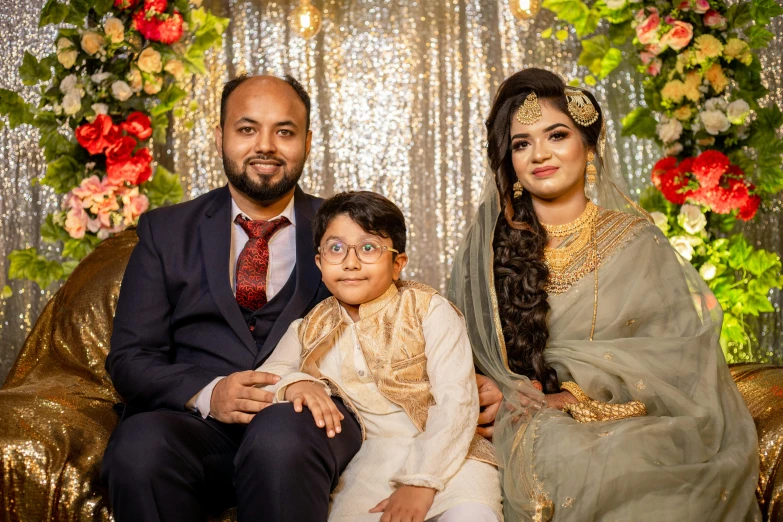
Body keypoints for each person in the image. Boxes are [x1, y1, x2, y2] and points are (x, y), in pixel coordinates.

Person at [102, 74, 502, 522]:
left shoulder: (341, 229)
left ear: (307, 141)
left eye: (285, 131)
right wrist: (211, 394)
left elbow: (398, 307)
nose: (266, 146)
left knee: (281, 435)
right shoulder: (166, 231)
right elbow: (131, 358)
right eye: (247, 128)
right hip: (200, 426)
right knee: (137, 448)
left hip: (313, 423)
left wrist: (475, 378)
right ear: (220, 137)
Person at [448, 68, 761, 521]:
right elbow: (450, 342)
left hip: (627, 419)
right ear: (510, 162)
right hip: (513, 424)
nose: (539, 153)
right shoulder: (487, 243)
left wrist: (572, 394)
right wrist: (487, 385)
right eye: (521, 143)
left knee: (637, 472)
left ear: (588, 147)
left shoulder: (636, 241)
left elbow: (678, 358)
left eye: (556, 135)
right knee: (557, 450)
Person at [254, 191, 503, 522]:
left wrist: (421, 483)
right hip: (370, 469)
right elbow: (268, 378)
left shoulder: (430, 310)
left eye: (368, 248)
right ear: (319, 263)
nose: (351, 262)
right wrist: (297, 383)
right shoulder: (309, 327)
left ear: (397, 263)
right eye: (336, 248)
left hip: (452, 458)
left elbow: (458, 401)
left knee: (472, 517)